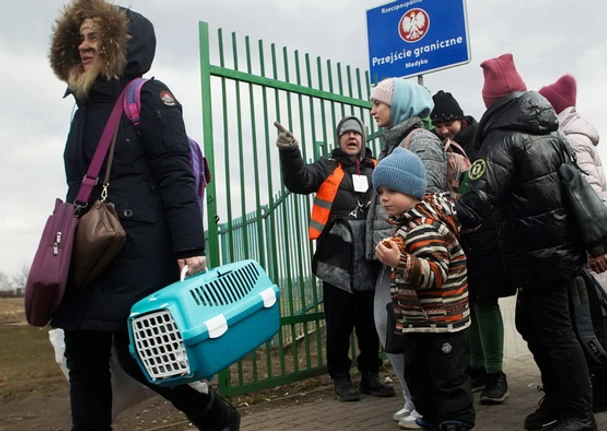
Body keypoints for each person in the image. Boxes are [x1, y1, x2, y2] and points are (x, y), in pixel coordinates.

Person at [48, 1, 239, 429]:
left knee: (139, 354)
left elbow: (174, 172)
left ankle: (215, 416)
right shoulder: (82, 106)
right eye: (79, 36)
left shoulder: (149, 95)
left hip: (139, 246)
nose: (83, 45)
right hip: (90, 247)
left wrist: (190, 247)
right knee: (83, 350)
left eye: (95, 36)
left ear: (122, 42)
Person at [455, 53, 607, 431]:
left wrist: (450, 217)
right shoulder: (550, 132)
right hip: (555, 249)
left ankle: (577, 412)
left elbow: (479, 195)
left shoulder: (503, 136)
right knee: (533, 324)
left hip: (540, 253)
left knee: (556, 332)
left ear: (490, 101)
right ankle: (559, 401)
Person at [275, 116, 394, 401]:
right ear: (339, 139)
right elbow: (299, 181)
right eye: (346, 134)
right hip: (337, 260)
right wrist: (289, 151)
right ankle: (340, 378)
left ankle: (370, 376)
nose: (351, 137)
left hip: (371, 258)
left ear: (363, 139)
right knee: (338, 323)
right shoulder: (326, 167)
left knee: (370, 323)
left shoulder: (378, 169)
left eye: (356, 133)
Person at [539, 73, 607, 415]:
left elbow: (588, 193)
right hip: (591, 245)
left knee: (593, 321)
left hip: (589, 249)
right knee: (593, 319)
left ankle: (605, 391)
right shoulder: (573, 134)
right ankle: (603, 390)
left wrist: (594, 247)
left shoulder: (572, 138)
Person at [372, 148, 474, 431]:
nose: (384, 197)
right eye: (380, 191)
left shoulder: (425, 226)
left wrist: (399, 261)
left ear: (413, 191)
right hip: (419, 324)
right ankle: (430, 417)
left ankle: (455, 422)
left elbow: (436, 274)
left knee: (447, 379)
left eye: (392, 189)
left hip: (442, 325)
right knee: (419, 377)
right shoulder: (407, 227)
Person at [366, 77, 447, 429]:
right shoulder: (394, 142)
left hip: (410, 251)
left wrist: (403, 246)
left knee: (406, 327)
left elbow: (428, 197)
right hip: (394, 251)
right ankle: (413, 398)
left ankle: (424, 403)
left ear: (399, 105)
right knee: (389, 325)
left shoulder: (421, 140)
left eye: (378, 104)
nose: (372, 111)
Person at [431, 90, 513, 404]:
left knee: (486, 302)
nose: (444, 130)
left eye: (448, 123)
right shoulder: (443, 148)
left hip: (486, 231)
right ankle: (478, 368)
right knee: (470, 303)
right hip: (460, 234)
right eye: (438, 126)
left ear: (460, 117)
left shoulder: (482, 140)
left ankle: (496, 373)